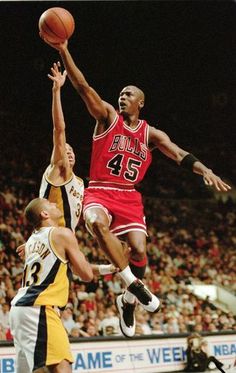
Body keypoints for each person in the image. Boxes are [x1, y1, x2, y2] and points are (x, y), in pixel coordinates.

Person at [42, 37, 231, 338]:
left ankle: (127, 300)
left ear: (141, 102)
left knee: (140, 250)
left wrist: (205, 169)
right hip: (100, 189)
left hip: (129, 196)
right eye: (120, 93)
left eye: (129, 94)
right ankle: (133, 284)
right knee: (94, 222)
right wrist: (64, 50)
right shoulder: (107, 117)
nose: (122, 96)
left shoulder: (151, 134)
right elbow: (83, 87)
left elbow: (179, 154)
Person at [17, 62, 115, 278]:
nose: (68, 152)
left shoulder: (79, 183)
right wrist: (56, 91)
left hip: (53, 240)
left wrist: (112, 266)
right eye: (65, 150)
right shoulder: (57, 171)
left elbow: (82, 271)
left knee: (67, 276)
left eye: (71, 150)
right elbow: (59, 130)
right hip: (49, 235)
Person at [9, 197, 94, 373]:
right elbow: (86, 274)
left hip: (20, 310)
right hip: (41, 308)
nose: (55, 204)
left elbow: (69, 266)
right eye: (50, 204)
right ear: (44, 213)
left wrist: (110, 268)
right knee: (62, 368)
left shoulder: (32, 240)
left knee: (39, 370)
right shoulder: (61, 234)